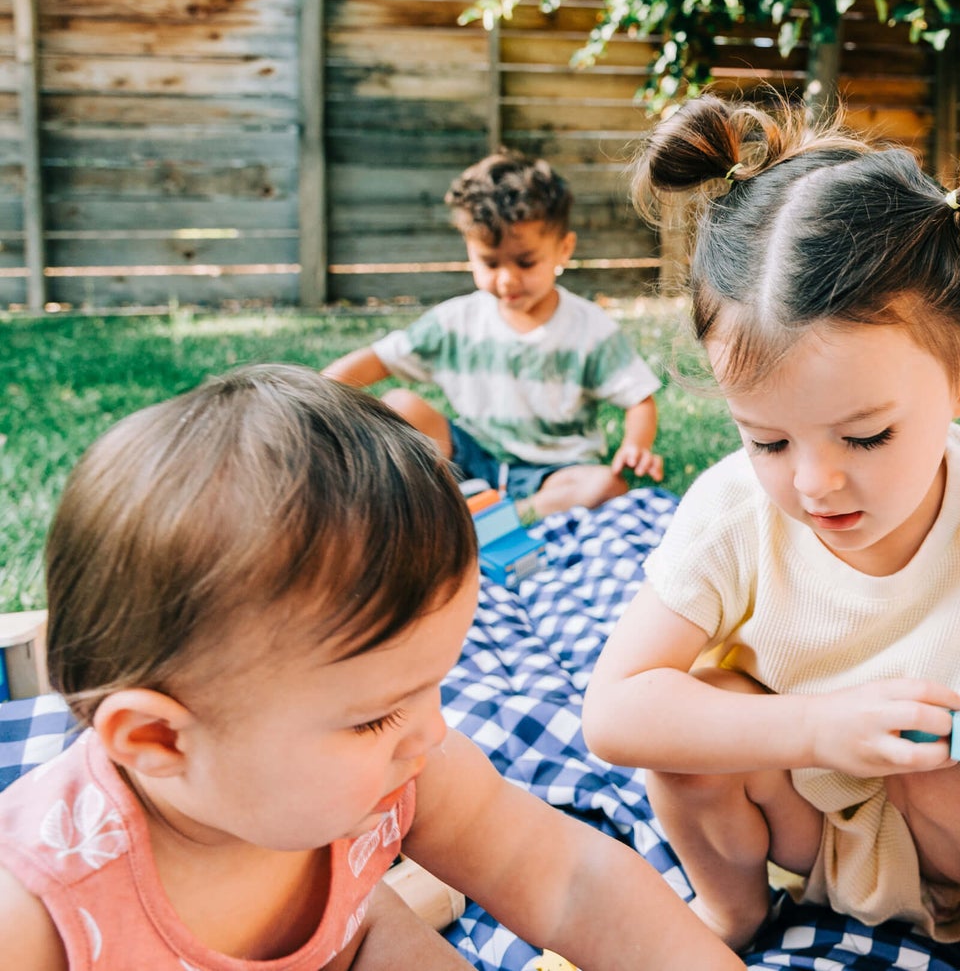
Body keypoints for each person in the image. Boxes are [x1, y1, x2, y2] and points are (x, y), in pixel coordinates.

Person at [581, 98, 960, 971]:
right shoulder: (735, 513)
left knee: (950, 757)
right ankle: (730, 906)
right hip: (801, 830)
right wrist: (812, 731)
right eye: (765, 439)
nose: (812, 482)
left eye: (866, 436)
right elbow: (613, 711)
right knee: (700, 707)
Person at [0, 366, 739, 971]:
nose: (429, 731)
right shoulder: (41, 912)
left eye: (435, 686)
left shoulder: (399, 770)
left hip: (344, 943)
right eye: (374, 716)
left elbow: (571, 880)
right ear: (160, 740)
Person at [325, 153, 663, 522]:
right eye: (489, 262)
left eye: (525, 262)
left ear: (563, 249)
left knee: (604, 486)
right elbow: (378, 359)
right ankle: (462, 502)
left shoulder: (589, 327)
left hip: (554, 472)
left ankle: (505, 518)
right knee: (399, 405)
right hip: (468, 459)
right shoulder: (456, 321)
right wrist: (314, 398)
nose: (506, 279)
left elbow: (638, 398)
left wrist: (635, 446)